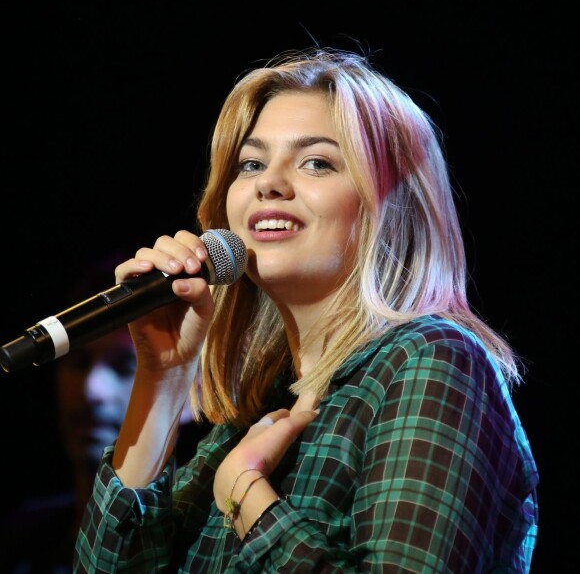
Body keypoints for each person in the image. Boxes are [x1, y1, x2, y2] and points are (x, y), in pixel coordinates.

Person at [73, 47, 539, 572]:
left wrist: (249, 497)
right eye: (252, 163)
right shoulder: (249, 414)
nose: (268, 183)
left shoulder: (431, 362)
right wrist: (163, 377)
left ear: (392, 205)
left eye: (317, 162)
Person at [0, 252, 210, 573]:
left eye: (125, 366)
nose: (92, 390)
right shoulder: (24, 533)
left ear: (196, 392)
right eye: (79, 363)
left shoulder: (205, 546)